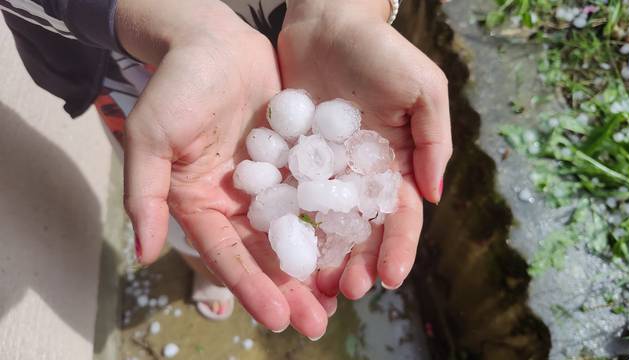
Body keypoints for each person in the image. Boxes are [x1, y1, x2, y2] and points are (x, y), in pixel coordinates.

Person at [1, 0, 451, 340]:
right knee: (180, 193)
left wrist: (343, 12)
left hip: (288, 43)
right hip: (122, 56)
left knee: (194, 198)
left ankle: (205, 266)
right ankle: (199, 264)